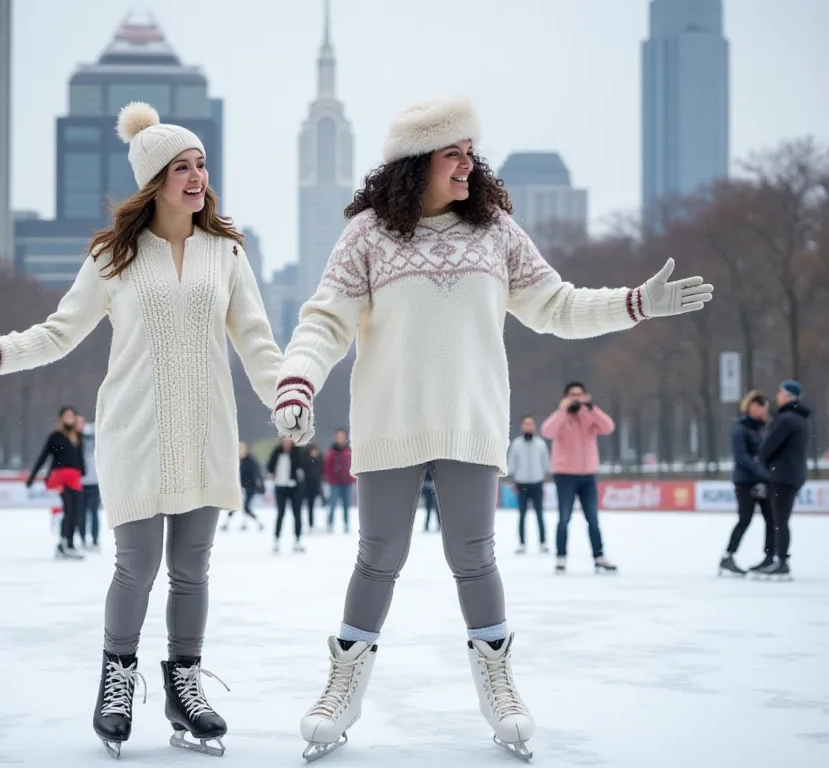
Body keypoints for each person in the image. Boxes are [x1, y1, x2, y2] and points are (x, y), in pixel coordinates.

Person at [270, 96, 713, 761]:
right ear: (416, 164)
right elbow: (325, 318)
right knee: (378, 554)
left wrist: (636, 303)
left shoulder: (496, 231)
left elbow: (557, 306)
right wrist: (298, 378)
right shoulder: (366, 235)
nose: (468, 165)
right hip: (392, 420)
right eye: (455, 153)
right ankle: (344, 684)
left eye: (471, 152)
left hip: (471, 420)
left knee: (474, 555)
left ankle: (498, 684)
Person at [0, 101, 281, 758]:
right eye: (180, 168)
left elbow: (256, 340)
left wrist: (287, 394)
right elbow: (59, 333)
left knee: (191, 569)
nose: (196, 177)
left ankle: (184, 685)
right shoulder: (115, 256)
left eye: (200, 164)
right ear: (154, 181)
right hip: (134, 430)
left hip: (204, 430)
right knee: (137, 565)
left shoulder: (226, 252)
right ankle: (117, 678)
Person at [541, 382, 619, 574]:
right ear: (566, 397)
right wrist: (563, 410)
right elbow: (547, 431)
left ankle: (599, 556)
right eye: (572, 395)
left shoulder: (589, 416)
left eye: (579, 395)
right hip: (565, 474)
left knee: (592, 518)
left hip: (587, 475)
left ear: (586, 396)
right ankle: (560, 558)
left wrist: (592, 409)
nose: (576, 398)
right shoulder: (561, 417)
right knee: (564, 518)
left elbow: (608, 427)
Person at [756, 381, 811, 579]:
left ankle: (781, 561)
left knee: (779, 520)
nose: (777, 396)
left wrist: (763, 461)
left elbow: (769, 446)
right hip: (792, 474)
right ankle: (777, 559)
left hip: (782, 475)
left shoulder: (786, 419)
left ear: (787, 395)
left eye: (780, 393)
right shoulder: (800, 418)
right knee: (780, 519)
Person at [718, 391, 774, 576]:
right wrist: (762, 474)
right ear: (750, 407)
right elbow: (742, 458)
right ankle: (728, 556)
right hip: (745, 482)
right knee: (745, 519)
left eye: (765, 407)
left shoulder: (765, 428)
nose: (763, 411)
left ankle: (769, 557)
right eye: (759, 407)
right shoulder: (740, 428)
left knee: (772, 519)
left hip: (763, 480)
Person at [28, 406, 86, 560]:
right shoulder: (55, 437)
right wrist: (32, 476)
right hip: (60, 477)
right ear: (61, 418)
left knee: (76, 511)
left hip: (74, 477)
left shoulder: (77, 436)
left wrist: (83, 471)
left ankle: (71, 543)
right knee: (68, 508)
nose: (69, 418)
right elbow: (44, 456)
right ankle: (63, 543)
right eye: (66, 416)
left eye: (72, 416)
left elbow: (79, 457)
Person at [506, 416, 551, 554]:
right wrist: (512, 480)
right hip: (522, 482)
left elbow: (546, 463)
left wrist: (545, 478)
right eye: (525, 424)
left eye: (530, 424)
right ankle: (522, 543)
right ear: (522, 426)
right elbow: (512, 463)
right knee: (522, 514)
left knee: (539, 514)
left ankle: (543, 542)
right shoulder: (517, 444)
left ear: (534, 426)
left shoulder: (540, 444)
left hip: (537, 482)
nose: (528, 426)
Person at [267, 437, 306, 553]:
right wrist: (272, 474)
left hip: (294, 487)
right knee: (280, 514)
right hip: (280, 487)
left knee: (297, 514)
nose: (287, 442)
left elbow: (302, 467)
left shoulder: (297, 452)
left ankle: (298, 540)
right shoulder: (277, 452)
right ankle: (277, 539)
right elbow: (270, 466)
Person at [220, 441, 264, 532]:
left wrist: (260, 485)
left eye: (241, 448)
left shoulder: (250, 460)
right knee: (234, 506)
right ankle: (227, 524)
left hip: (249, 487)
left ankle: (258, 523)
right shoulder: (234, 460)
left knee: (246, 507)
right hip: (238, 487)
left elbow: (257, 473)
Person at [78, 415, 102, 550]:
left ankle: (94, 539)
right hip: (81, 482)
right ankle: (82, 538)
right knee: (81, 512)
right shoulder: (76, 439)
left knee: (94, 513)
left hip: (95, 482)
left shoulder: (98, 440)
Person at [323, 428, 354, 533]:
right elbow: (327, 466)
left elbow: (353, 465)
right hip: (335, 483)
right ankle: (330, 524)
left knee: (346, 505)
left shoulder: (349, 450)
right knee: (332, 504)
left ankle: (346, 524)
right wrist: (330, 479)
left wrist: (352, 478)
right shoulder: (332, 451)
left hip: (347, 482)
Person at [302, 443, 325, 532]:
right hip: (305, 485)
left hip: (315, 486)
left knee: (311, 506)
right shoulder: (305, 459)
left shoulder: (318, 460)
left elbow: (321, 471)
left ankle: (311, 524)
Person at [421, 468, 439, 532]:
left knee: (438, 511)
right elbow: (423, 483)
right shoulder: (426, 473)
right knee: (428, 511)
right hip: (428, 495)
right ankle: (426, 526)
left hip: (435, 494)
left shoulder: (436, 471)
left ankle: (439, 525)